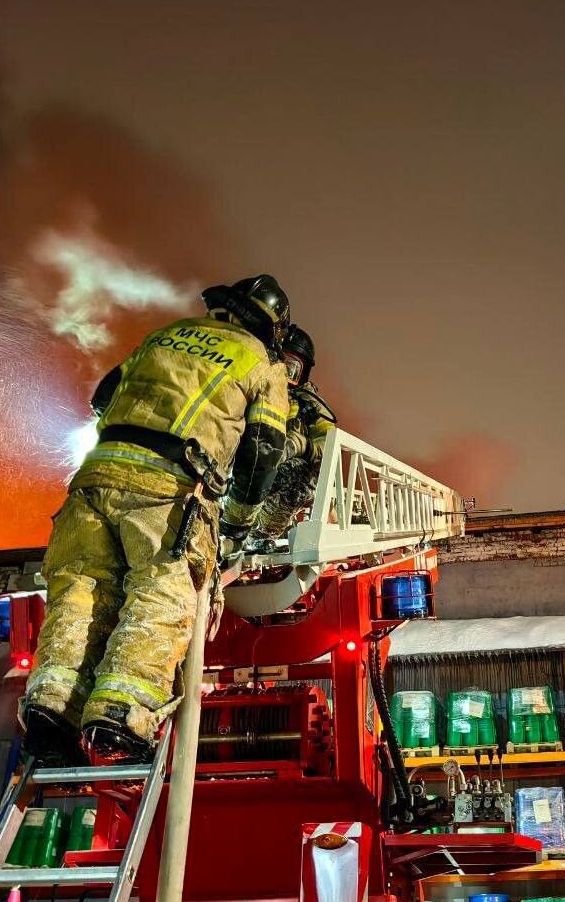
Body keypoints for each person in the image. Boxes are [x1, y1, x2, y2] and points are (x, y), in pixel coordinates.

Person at [22, 275, 291, 764]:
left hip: (95, 479)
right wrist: (237, 520)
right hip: (168, 490)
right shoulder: (262, 362)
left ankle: (52, 704)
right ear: (272, 327)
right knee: (161, 591)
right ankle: (120, 713)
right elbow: (264, 448)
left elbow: (104, 397)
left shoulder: (164, 336)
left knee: (81, 589)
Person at [251, 323, 337, 546]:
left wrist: (303, 446)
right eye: (278, 364)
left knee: (300, 473)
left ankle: (262, 534)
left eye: (290, 368)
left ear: (303, 372)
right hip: (253, 464)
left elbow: (330, 447)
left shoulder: (309, 405)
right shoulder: (254, 390)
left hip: (287, 470)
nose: (283, 373)